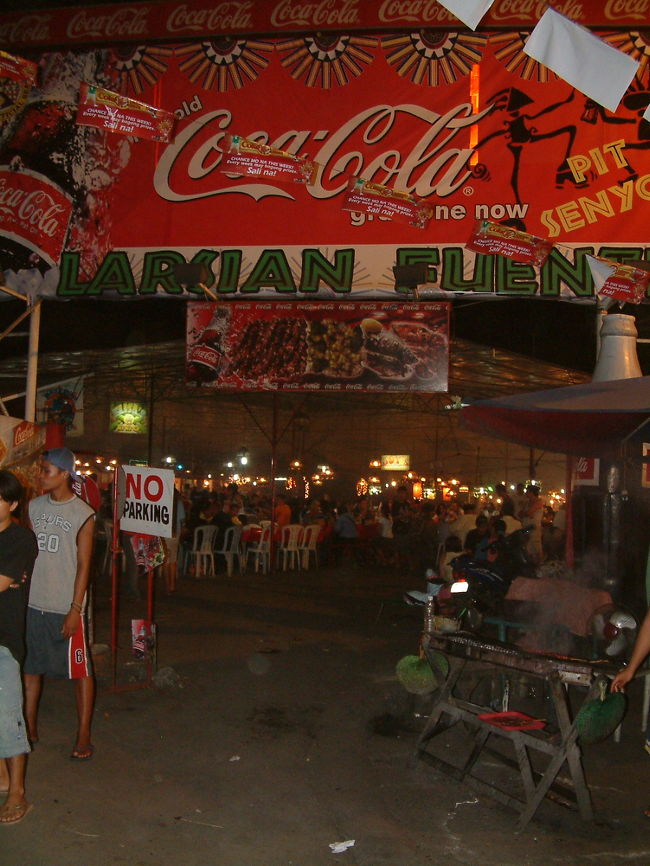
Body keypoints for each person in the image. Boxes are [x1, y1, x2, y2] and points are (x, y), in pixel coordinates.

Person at [24, 448, 96, 762]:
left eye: (47, 471)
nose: (40, 475)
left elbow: (84, 565)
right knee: (30, 667)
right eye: (41, 470)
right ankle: (28, 726)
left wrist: (75, 609)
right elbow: (28, 551)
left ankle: (83, 732)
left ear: (65, 474)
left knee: (80, 671)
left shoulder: (83, 513)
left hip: (66, 604)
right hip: (34, 600)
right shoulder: (34, 506)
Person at [0, 470, 38, 825]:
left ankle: (18, 793)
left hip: (4, 641)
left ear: (12, 504)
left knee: (9, 719)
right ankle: (2, 778)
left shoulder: (20, 539)